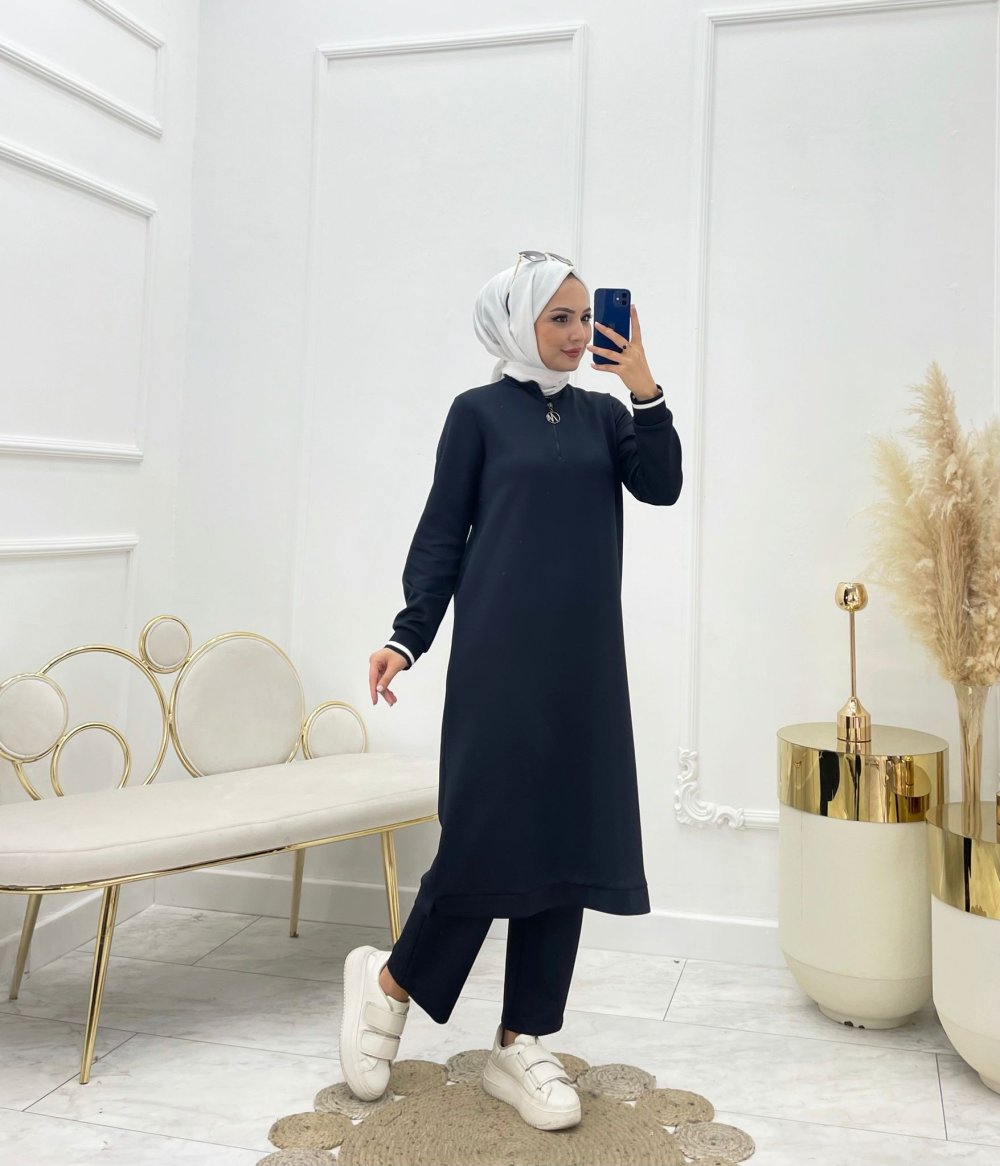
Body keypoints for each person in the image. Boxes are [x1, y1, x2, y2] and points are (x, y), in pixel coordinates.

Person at [340, 252, 683, 1132]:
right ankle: (389, 984)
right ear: (515, 323)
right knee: (485, 837)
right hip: (499, 659)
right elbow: (441, 534)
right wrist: (406, 635)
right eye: (558, 318)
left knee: (565, 840)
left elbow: (663, 486)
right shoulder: (478, 414)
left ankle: (522, 1040)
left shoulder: (607, 416)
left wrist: (643, 384)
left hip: (584, 666)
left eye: (585, 317)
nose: (577, 333)